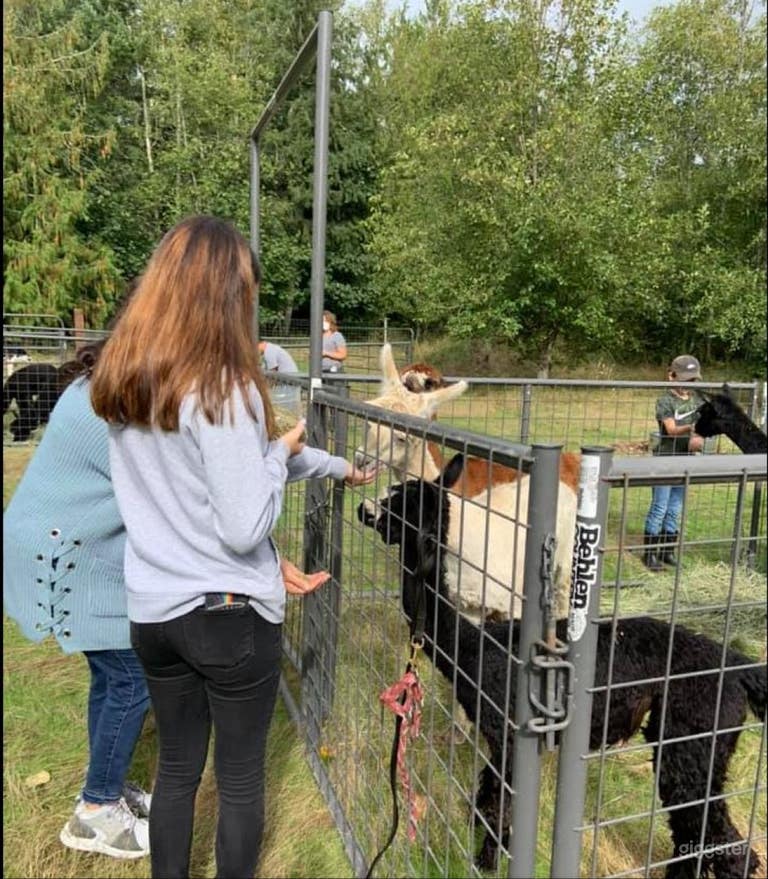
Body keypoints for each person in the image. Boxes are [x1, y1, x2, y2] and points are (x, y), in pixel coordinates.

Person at [89, 215, 375, 879]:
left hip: (155, 613)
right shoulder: (224, 386)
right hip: (227, 612)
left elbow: (225, 473)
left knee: (178, 768)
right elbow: (246, 521)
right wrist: (280, 453)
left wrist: (319, 463)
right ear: (226, 292)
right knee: (241, 779)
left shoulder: (132, 379)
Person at [3, 337, 152, 860]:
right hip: (64, 553)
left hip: (64, 544)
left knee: (112, 672)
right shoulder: (112, 409)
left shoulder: (101, 388)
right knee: (132, 676)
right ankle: (95, 810)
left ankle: (104, 782)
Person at [642, 354, 705, 572]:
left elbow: (705, 427)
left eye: (692, 381)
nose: (688, 385)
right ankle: (649, 554)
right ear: (671, 376)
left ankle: (667, 551)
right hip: (665, 459)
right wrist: (691, 429)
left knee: (675, 508)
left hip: (686, 460)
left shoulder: (698, 400)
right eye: (684, 380)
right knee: (660, 506)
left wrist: (702, 436)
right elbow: (670, 429)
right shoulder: (665, 400)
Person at [259, 340, 301, 416]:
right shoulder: (269, 350)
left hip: (288, 379)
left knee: (285, 404)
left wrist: (267, 388)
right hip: (288, 378)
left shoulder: (269, 352)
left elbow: (272, 373)